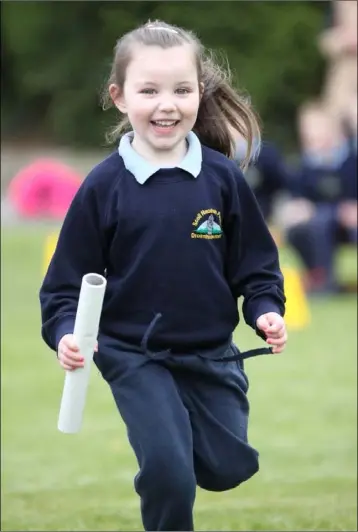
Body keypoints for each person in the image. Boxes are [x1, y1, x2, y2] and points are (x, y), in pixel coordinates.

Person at [39, 20, 287, 532]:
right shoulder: (103, 187)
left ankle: (198, 449)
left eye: (181, 89)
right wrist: (65, 332)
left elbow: (256, 266)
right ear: (119, 96)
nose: (166, 104)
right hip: (134, 353)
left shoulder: (222, 178)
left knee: (227, 467)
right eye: (148, 90)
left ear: (200, 91)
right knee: (169, 471)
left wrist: (266, 310)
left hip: (211, 351)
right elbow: (65, 284)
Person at [284, 101, 357, 294]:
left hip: (348, 221)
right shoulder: (303, 166)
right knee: (301, 228)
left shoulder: (350, 160)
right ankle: (319, 277)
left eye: (316, 128)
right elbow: (297, 199)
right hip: (319, 223)